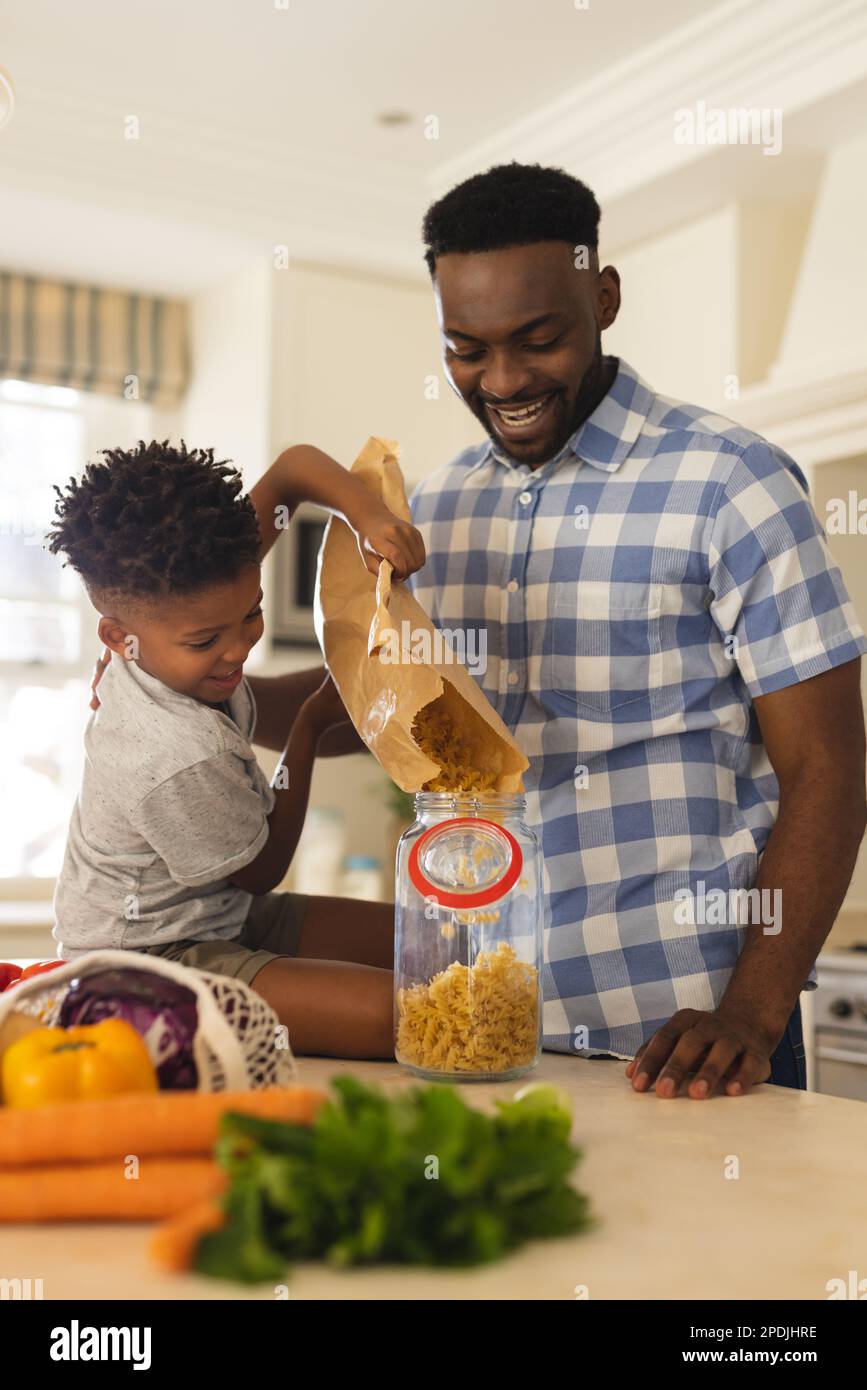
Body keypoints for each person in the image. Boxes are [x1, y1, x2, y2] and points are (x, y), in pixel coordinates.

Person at [409, 161, 867, 1097]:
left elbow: (829, 765)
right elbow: (391, 705)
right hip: (485, 1023)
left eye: (538, 340)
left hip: (689, 1038)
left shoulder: (729, 481)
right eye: (466, 349)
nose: (503, 380)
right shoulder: (438, 505)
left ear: (604, 298)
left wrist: (752, 1015)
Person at [47, 438, 425, 1058]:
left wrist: (370, 518)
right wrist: (308, 728)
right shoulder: (170, 750)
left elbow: (294, 470)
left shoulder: (204, 565)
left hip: (223, 912)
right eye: (205, 642)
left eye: (252, 614)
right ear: (118, 638)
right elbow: (263, 867)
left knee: (432, 941)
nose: (238, 649)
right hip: (145, 960)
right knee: (406, 1015)